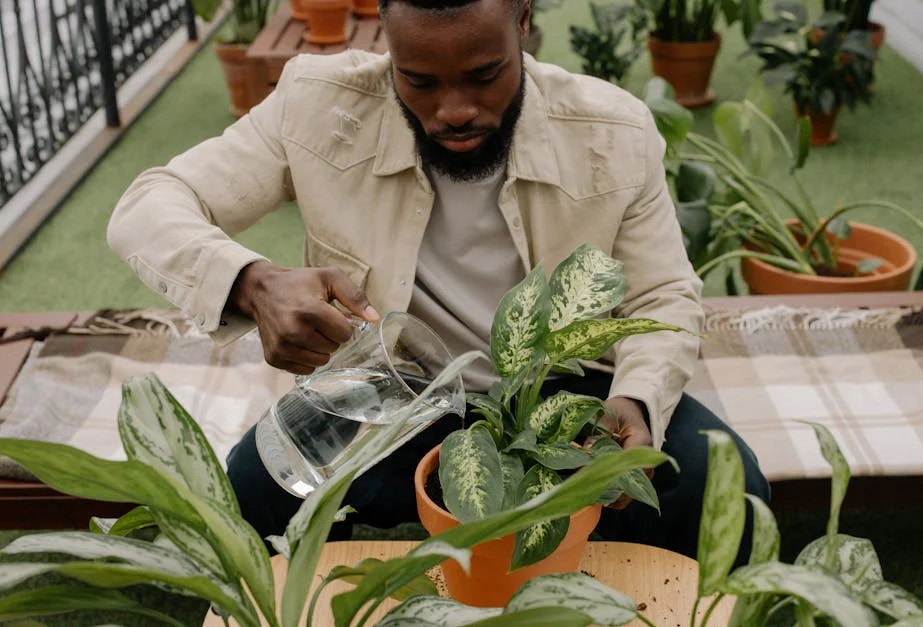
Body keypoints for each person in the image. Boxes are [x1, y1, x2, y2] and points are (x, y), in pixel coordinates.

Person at [108, 0, 769, 564]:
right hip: (390, 389)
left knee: (720, 482)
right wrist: (252, 282)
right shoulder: (316, 105)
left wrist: (638, 403)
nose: (454, 110)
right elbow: (148, 204)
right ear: (386, 46)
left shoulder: (613, 132)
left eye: (485, 75)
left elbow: (664, 295)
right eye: (418, 81)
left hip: (565, 389)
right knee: (249, 490)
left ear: (522, 23)